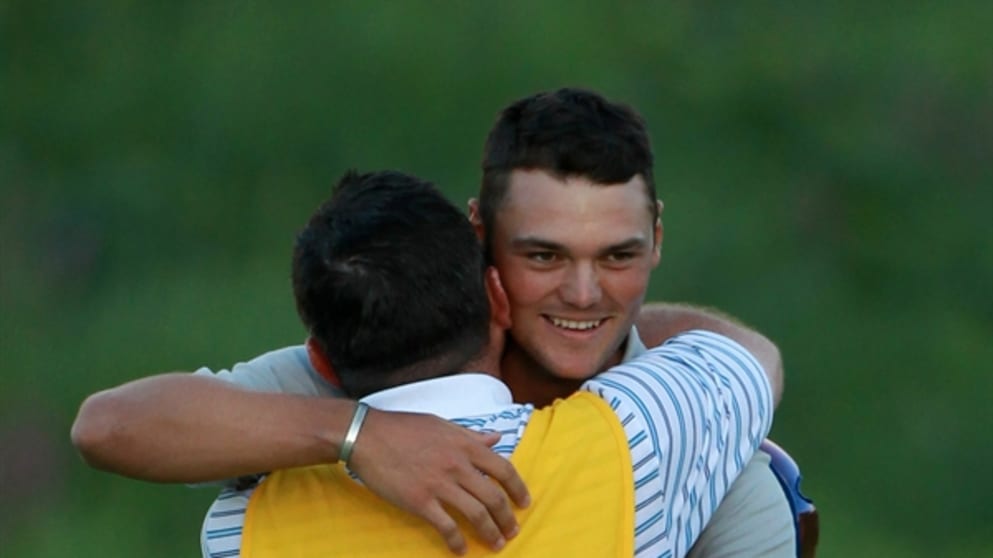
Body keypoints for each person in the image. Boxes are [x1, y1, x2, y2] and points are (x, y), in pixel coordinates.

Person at [71, 87, 794, 556]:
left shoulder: (243, 522)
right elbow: (110, 426)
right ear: (481, 245)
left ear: (657, 239)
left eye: (617, 257)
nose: (582, 294)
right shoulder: (668, 424)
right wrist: (360, 435)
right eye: (543, 255)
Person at [201, 168, 776, 557]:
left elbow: (144, 419)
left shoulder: (242, 528)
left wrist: (354, 435)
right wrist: (586, 323)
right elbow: (746, 357)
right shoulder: (634, 442)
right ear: (499, 298)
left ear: (320, 362)